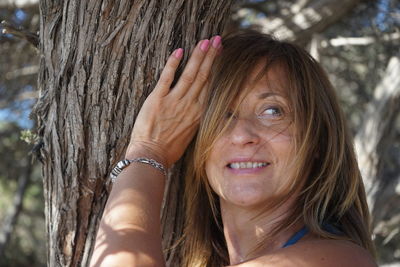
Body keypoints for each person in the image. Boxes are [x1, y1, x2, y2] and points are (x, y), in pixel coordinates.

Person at [90, 30, 378, 266]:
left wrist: (147, 152)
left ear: (318, 140)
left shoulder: (340, 260)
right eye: (220, 115)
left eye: (272, 111)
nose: (241, 134)